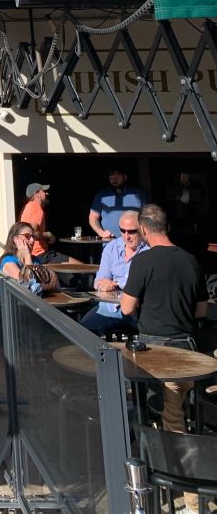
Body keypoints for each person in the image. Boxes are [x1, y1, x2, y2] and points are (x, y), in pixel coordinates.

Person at [121, 205, 208, 432]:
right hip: (188, 348)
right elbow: (201, 311)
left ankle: (175, 464)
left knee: (169, 419)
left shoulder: (142, 261)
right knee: (177, 409)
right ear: (167, 227)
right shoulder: (191, 261)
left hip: (154, 351)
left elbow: (126, 307)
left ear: (142, 229)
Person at [81, 210, 148, 337]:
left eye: (132, 231)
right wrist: (103, 284)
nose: (126, 236)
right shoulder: (111, 247)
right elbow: (99, 281)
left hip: (136, 312)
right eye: (122, 230)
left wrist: (116, 283)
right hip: (108, 308)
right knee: (81, 331)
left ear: (141, 229)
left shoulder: (149, 251)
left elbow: (144, 287)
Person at [19, 183, 75, 264]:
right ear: (36, 194)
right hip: (40, 255)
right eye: (44, 191)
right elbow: (31, 234)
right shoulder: (37, 209)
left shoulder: (25, 208)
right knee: (81, 267)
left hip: (29, 254)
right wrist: (48, 235)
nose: (47, 193)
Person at [0, 222, 59, 294]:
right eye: (27, 236)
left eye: (33, 237)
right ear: (15, 239)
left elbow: (47, 284)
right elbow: (29, 287)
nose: (32, 240)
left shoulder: (35, 260)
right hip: (15, 303)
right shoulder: (8, 261)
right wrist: (27, 256)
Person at [88, 168, 145, 240]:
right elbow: (93, 218)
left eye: (117, 175)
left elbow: (148, 217)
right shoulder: (102, 195)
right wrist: (101, 233)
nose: (114, 178)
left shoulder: (138, 193)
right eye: (111, 176)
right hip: (110, 243)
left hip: (136, 243)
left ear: (125, 177)